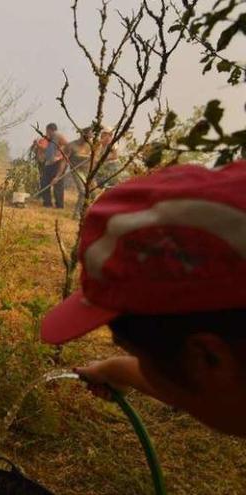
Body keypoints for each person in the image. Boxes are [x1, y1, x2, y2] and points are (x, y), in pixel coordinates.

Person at [41, 161, 246, 437]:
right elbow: (216, 382)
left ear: (207, 356)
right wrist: (119, 370)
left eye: (134, 351)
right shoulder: (223, 367)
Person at [64, 127, 94, 219]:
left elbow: (96, 159)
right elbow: (64, 161)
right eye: (88, 136)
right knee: (82, 191)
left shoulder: (92, 145)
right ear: (82, 135)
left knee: (93, 193)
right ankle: (76, 214)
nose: (89, 138)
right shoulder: (71, 145)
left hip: (88, 172)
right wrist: (58, 175)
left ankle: (85, 212)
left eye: (90, 137)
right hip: (77, 171)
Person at [38, 123, 68, 209]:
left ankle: (59, 205)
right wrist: (38, 146)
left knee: (57, 184)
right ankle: (47, 203)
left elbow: (67, 145)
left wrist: (60, 154)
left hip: (57, 163)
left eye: (47, 131)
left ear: (50, 130)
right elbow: (49, 150)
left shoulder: (57, 135)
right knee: (44, 182)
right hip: (49, 163)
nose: (46, 133)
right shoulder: (50, 139)